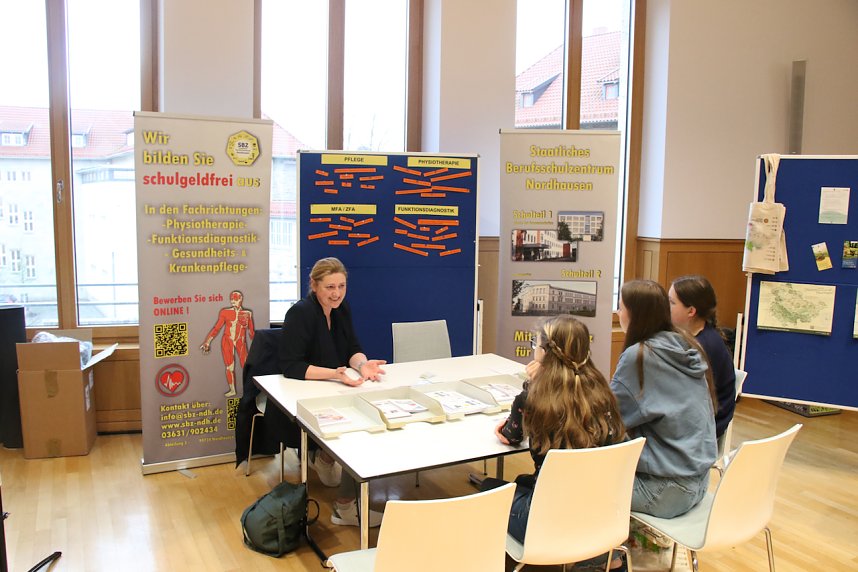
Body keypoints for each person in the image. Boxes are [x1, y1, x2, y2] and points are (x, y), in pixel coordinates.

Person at [482, 315, 626, 568]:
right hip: (600, 511)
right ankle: (600, 557)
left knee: (487, 489)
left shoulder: (534, 399)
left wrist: (532, 384)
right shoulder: (603, 392)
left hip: (548, 517)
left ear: (545, 353)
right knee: (521, 483)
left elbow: (511, 435)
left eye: (535, 345)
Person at [278, 257, 386, 527]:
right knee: (357, 430)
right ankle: (345, 506)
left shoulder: (341, 308)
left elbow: (352, 348)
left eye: (341, 286)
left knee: (367, 417)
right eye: (329, 287)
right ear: (314, 285)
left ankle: (322, 458)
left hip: (335, 385)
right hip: (302, 391)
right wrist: (335, 374)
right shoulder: (300, 313)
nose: (336, 293)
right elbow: (291, 366)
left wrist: (362, 365)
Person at [612, 280, 717, 519]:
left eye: (621, 307)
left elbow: (608, 415)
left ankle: (602, 557)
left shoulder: (639, 356)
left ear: (635, 314)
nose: (618, 312)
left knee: (577, 484)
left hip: (666, 490)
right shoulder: (684, 344)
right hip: (698, 481)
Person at [669, 275, 736, 447]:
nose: (666, 307)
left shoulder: (703, 347)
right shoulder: (692, 336)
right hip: (700, 422)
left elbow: (685, 401)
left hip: (703, 432)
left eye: (671, 303)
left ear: (691, 311)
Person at [200, 290, 255, 397]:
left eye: (235, 299)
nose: (233, 301)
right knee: (229, 367)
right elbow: (217, 328)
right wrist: (207, 342)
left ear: (241, 299)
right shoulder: (225, 312)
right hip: (227, 340)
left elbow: (251, 332)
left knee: (246, 365)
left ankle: (249, 389)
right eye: (231, 299)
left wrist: (258, 345)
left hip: (240, 341)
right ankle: (232, 390)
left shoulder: (247, 314)